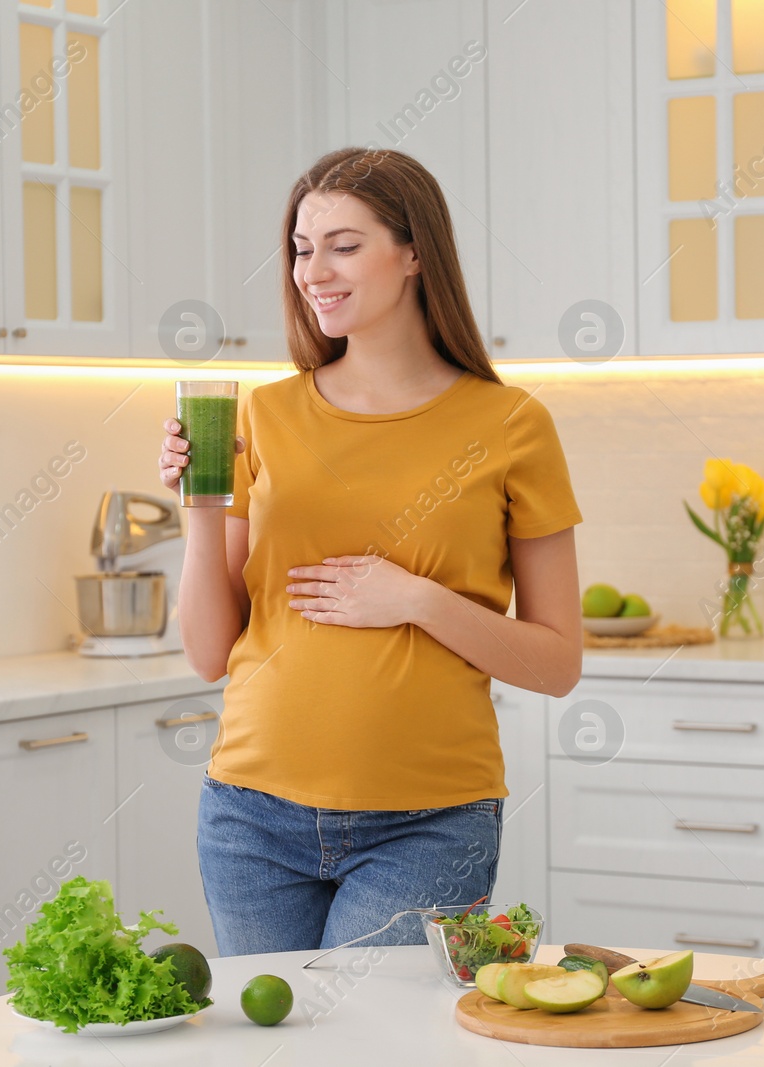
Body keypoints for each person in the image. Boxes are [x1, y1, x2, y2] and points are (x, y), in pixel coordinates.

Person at [158, 146, 583, 956]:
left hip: (429, 822)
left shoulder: (512, 425)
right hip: (250, 810)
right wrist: (200, 507)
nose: (312, 269)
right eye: (300, 247)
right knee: (271, 1044)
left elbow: (557, 663)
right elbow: (210, 652)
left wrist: (414, 598)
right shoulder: (266, 414)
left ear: (415, 252)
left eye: (344, 245)